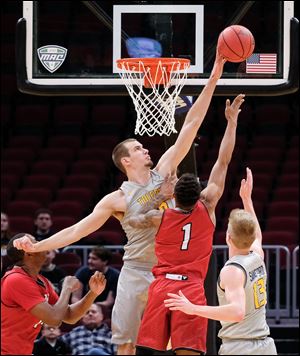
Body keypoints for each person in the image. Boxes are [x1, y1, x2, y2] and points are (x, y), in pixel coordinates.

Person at [13, 49, 226, 355]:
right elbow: (77, 231)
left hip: (169, 271)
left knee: (173, 345)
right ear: (126, 160)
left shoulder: (163, 172)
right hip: (138, 270)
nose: (145, 150)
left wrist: (214, 76)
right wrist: (38, 246)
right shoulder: (117, 199)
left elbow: (191, 125)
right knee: (126, 344)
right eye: (139, 148)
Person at [127, 93, 244, 355]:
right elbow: (223, 161)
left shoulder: (160, 216)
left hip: (161, 288)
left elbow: (132, 218)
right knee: (188, 351)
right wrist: (232, 122)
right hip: (191, 287)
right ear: (199, 192)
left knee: (146, 351)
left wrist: (159, 196)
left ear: (175, 195)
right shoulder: (209, 204)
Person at [164, 168, 277, 355]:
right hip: (264, 345)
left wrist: (193, 309)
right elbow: (256, 234)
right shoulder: (257, 256)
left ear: (228, 238)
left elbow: (237, 312)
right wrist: (247, 200)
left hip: (240, 347)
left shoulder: (232, 271)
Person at [1, 233, 107, 355]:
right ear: (28, 253)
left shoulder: (41, 281)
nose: (42, 244)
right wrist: (66, 289)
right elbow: (54, 320)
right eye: (36, 242)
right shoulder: (16, 279)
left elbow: (69, 316)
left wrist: (93, 293)